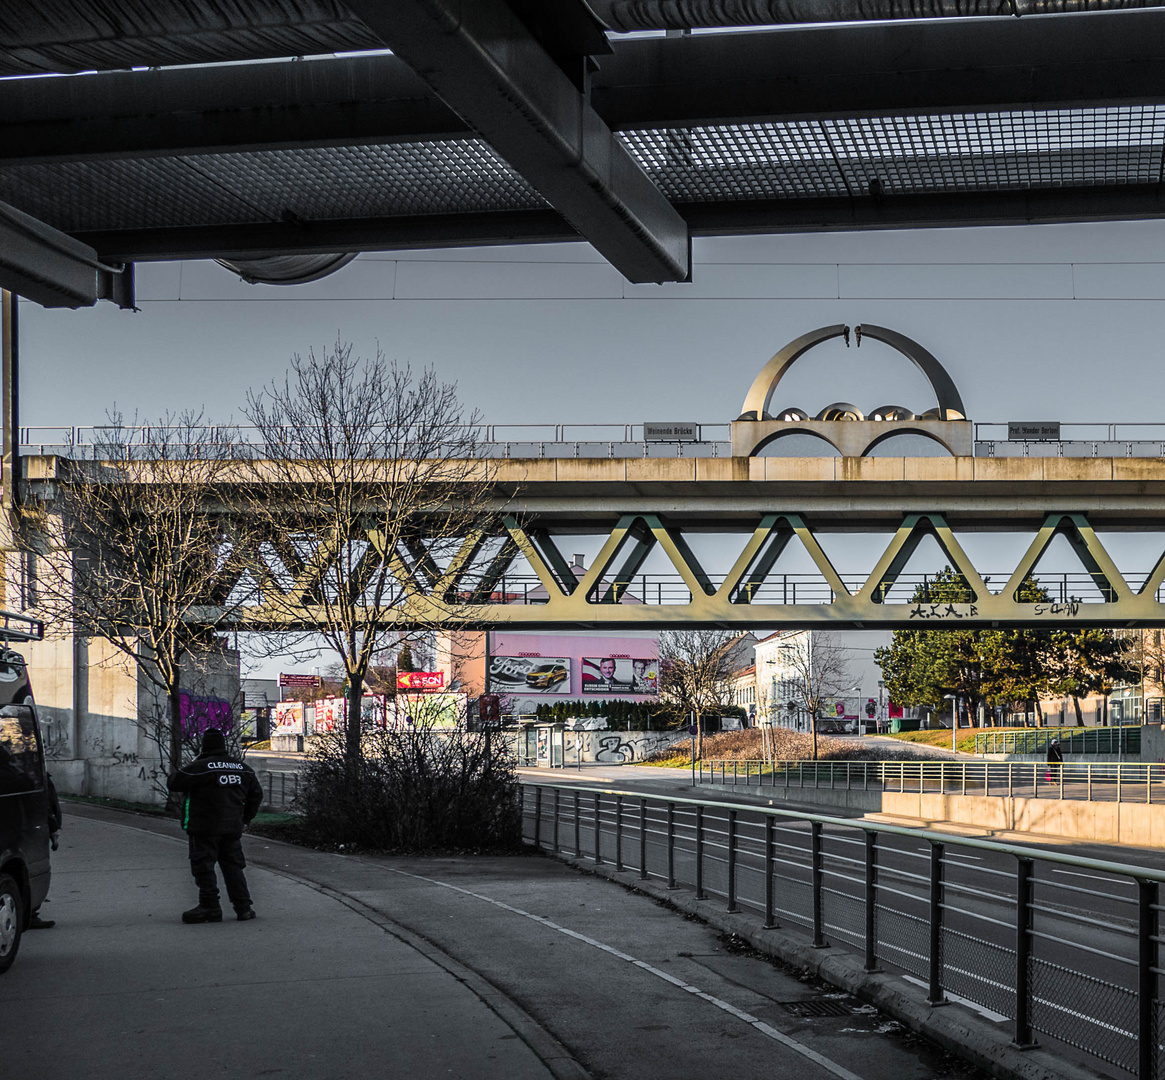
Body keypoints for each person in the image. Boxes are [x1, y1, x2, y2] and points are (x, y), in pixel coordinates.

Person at [168, 727, 262, 924]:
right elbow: (256, 794)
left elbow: (174, 783)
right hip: (232, 827)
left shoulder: (200, 767)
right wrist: (245, 819)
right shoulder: (242, 768)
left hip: (204, 827)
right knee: (233, 867)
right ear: (224, 745)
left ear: (204, 746)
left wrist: (193, 762)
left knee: (204, 866)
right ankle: (244, 908)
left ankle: (210, 906)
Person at [29, 773, 61, 930]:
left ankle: (29, 914)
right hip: (35, 828)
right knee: (35, 869)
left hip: (29, 828)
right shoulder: (34, 775)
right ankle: (31, 914)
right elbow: (44, 803)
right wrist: (53, 829)